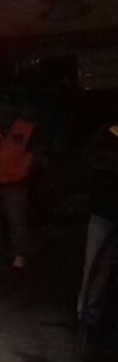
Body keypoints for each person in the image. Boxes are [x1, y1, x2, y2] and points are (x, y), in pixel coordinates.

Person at [0, 98, 36, 268]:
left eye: (7, 106)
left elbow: (36, 154)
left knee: (17, 219)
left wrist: (24, 172)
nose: (4, 110)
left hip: (16, 181)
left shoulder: (26, 128)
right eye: (1, 105)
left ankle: (19, 254)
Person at [77, 123, 118, 343]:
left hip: (107, 209)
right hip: (104, 209)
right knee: (95, 264)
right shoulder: (107, 133)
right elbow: (88, 156)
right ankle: (87, 318)